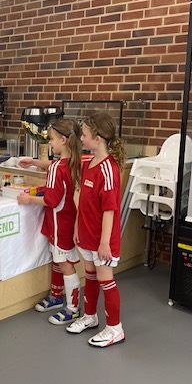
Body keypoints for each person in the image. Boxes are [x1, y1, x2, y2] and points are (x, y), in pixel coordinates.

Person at [66, 112, 127, 347]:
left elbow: (110, 210)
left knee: (105, 278)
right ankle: (90, 317)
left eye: (85, 134)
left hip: (103, 240)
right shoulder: (88, 163)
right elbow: (82, 200)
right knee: (89, 275)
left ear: (98, 138)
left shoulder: (109, 169)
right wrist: (76, 227)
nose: (81, 138)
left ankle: (115, 329)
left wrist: (104, 243)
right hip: (86, 234)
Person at [17, 119, 82, 325]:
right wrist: (36, 162)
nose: (49, 144)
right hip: (67, 220)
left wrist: (28, 199)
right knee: (58, 259)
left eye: (51, 139)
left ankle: (72, 308)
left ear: (63, 140)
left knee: (64, 264)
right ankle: (56, 295)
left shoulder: (57, 168)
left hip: (58, 222)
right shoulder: (74, 161)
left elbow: (51, 200)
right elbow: (55, 166)